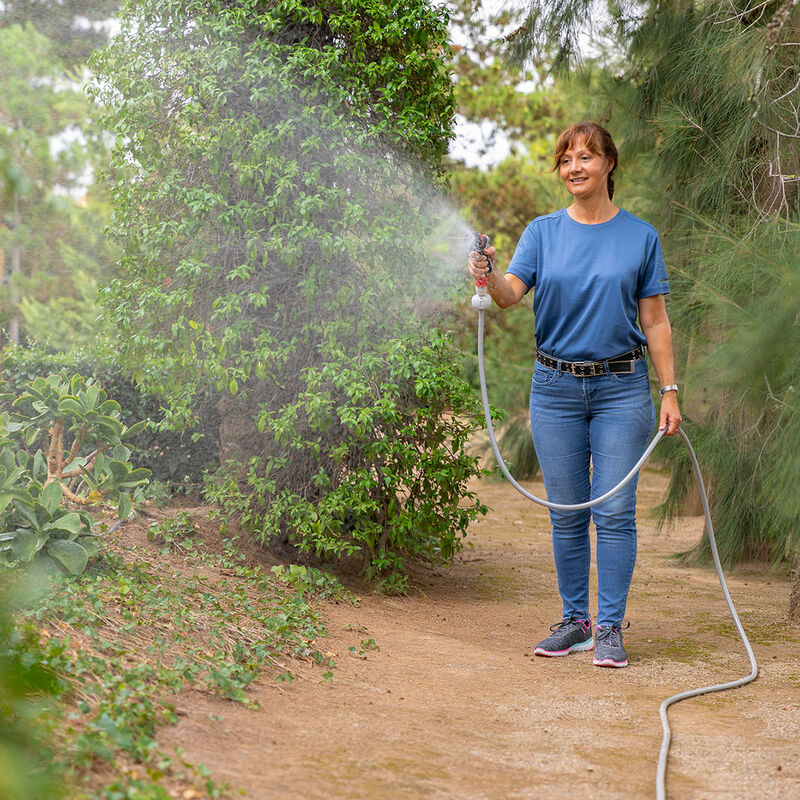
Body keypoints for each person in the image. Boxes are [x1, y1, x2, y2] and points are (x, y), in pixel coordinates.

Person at [468, 121, 682, 668]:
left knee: (613, 511)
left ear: (610, 163)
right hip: (555, 389)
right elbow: (510, 294)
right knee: (565, 512)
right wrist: (487, 277)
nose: (574, 168)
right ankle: (576, 622)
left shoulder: (641, 236)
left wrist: (670, 390)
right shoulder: (542, 232)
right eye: (565, 159)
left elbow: (655, 322)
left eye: (585, 156)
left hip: (621, 389)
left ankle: (609, 627)